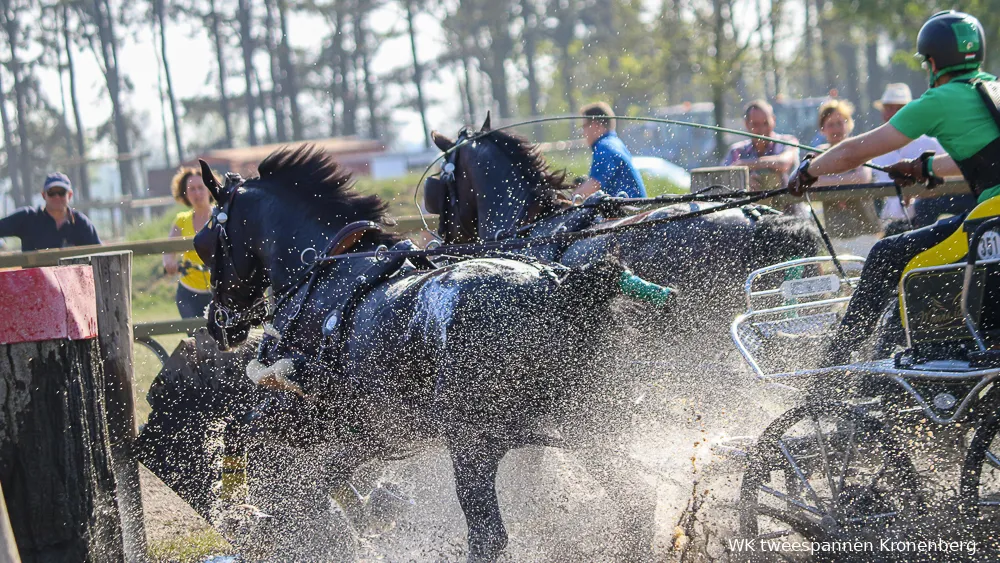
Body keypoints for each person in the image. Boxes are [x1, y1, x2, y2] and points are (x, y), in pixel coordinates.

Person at [786, 10, 999, 364]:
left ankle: (838, 365)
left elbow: (857, 150)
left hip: (988, 224)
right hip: (989, 221)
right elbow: (984, 156)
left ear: (932, 62)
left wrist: (809, 170)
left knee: (888, 256)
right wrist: (925, 167)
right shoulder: (990, 89)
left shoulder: (940, 100)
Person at [869, 83, 968, 229]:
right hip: (888, 224)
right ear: (883, 112)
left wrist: (923, 191)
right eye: (889, 108)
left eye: (899, 108)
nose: (893, 113)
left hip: (924, 221)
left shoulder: (930, 143)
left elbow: (955, 173)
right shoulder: (874, 147)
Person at [813, 99, 879, 239]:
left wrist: (827, 180)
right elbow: (811, 182)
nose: (836, 129)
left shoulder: (860, 147)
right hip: (834, 229)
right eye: (830, 124)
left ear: (849, 124)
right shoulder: (817, 154)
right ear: (822, 129)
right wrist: (846, 181)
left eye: (839, 123)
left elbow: (862, 178)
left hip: (865, 226)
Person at [0, 172, 101, 251]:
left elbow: (99, 255)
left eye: (61, 192)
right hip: (36, 278)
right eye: (51, 192)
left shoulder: (81, 223)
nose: (57, 197)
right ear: (44, 195)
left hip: (72, 278)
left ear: (69, 195)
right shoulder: (27, 218)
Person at [163, 167, 214, 319]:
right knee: (195, 338)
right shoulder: (181, 220)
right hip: (189, 291)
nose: (197, 193)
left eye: (200, 188)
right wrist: (169, 263)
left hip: (219, 291)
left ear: (210, 190)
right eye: (192, 189)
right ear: (185, 193)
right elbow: (168, 248)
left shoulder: (221, 216)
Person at [573, 102, 647, 199]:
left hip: (629, 210)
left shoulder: (604, 147)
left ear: (596, 125)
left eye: (584, 126)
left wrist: (569, 199)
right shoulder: (615, 143)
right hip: (633, 207)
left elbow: (592, 187)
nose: (583, 132)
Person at [723, 99, 800, 191]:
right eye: (755, 124)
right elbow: (723, 179)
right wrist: (741, 182)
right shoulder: (736, 151)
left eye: (765, 123)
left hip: (789, 204)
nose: (762, 129)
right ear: (746, 124)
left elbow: (783, 163)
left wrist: (744, 165)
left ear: (773, 120)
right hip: (750, 205)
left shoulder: (788, 141)